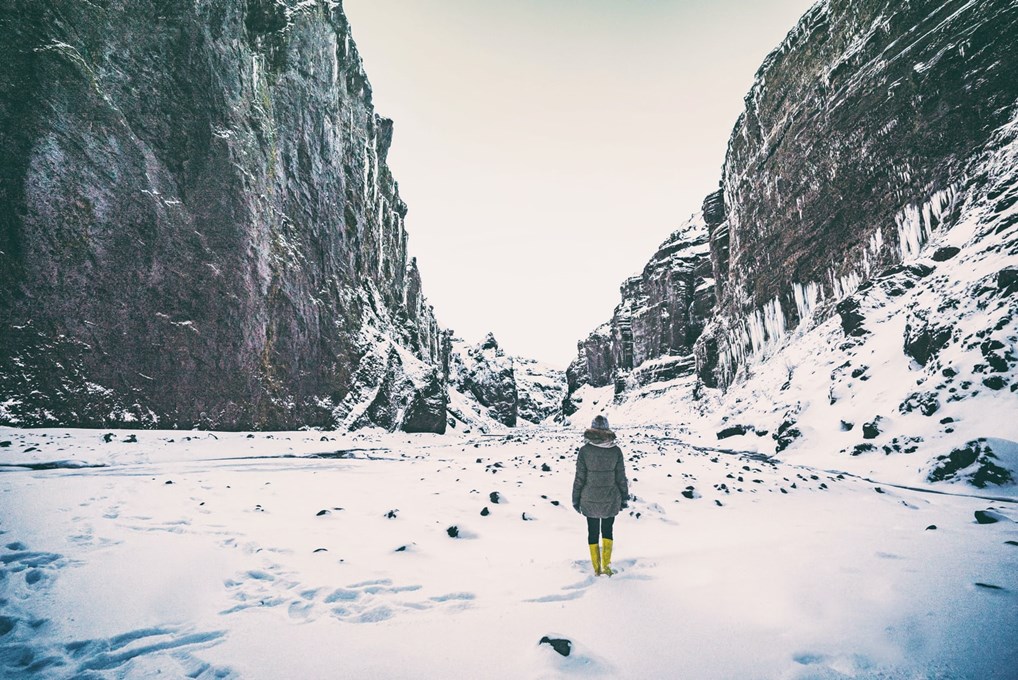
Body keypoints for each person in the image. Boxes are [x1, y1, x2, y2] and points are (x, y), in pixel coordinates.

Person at [572, 415, 629, 576]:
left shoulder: (584, 451)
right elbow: (621, 478)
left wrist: (576, 499)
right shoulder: (616, 451)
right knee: (608, 530)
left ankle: (596, 568)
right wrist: (624, 498)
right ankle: (606, 566)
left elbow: (579, 478)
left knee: (592, 531)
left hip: (589, 498)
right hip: (611, 498)